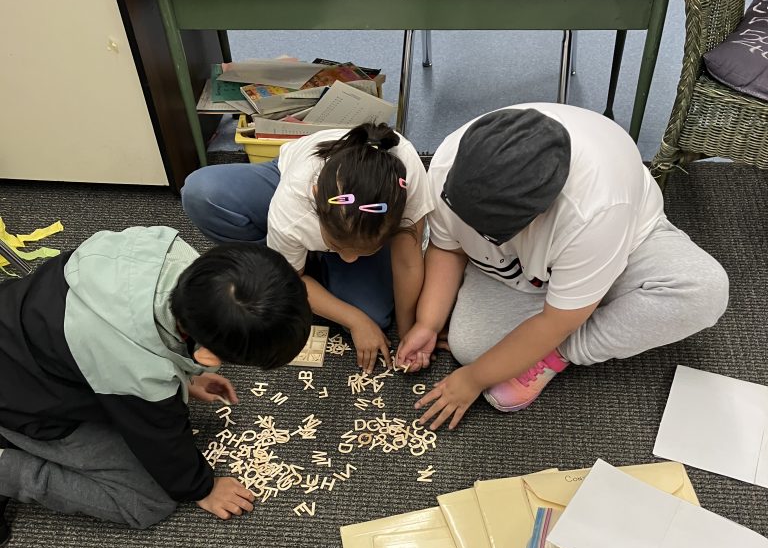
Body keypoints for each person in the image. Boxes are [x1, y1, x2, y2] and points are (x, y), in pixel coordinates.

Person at [396, 104, 730, 430]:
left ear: (541, 212)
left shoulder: (595, 212)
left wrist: (473, 380)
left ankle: (561, 350)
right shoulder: (448, 162)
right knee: (470, 348)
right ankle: (580, 303)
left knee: (702, 290)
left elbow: (557, 322)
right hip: (518, 272)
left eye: (489, 233)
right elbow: (448, 249)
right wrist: (428, 323)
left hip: (618, 242)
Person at [0, 227, 312, 547]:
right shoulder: (137, 371)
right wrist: (202, 488)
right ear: (206, 354)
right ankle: (6, 468)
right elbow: (159, 438)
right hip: (21, 402)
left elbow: (150, 328)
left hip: (21, 318)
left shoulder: (172, 253)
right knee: (148, 503)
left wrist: (187, 375)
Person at [181, 122, 434, 374]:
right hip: (290, 185)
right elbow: (289, 281)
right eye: (336, 245)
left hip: (358, 221)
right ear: (315, 197)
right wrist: (355, 319)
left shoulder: (406, 178)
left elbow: (407, 262)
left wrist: (409, 330)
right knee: (203, 193)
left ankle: (312, 257)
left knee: (376, 315)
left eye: (363, 251)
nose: (349, 258)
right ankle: (284, 255)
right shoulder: (293, 203)